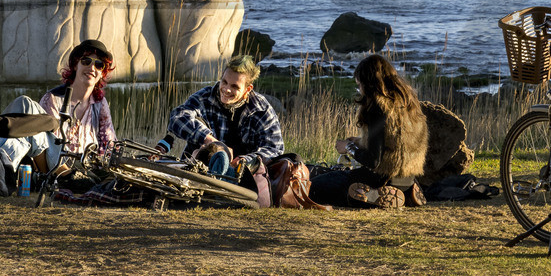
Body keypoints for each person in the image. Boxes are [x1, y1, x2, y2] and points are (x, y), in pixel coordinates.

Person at [311, 53, 429, 209]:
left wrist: (348, 147)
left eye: (359, 85)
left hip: (380, 178)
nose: (359, 90)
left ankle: (369, 194)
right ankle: (404, 193)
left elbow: (373, 161)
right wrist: (360, 142)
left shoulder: (378, 108)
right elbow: (394, 143)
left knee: (315, 186)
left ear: (369, 84)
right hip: (407, 179)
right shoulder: (409, 105)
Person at [167, 54, 283, 176]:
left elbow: (274, 148)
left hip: (241, 177)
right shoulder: (204, 98)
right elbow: (177, 118)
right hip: (198, 171)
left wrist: (245, 160)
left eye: (234, 86)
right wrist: (210, 141)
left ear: (248, 89)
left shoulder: (261, 109)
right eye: (224, 82)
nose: (226, 89)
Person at [40, 39, 117, 156]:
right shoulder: (52, 99)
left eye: (99, 65)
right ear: (76, 64)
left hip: (88, 171)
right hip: (58, 170)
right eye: (86, 61)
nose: (92, 68)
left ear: (102, 73)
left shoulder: (100, 104)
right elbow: (46, 148)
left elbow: (109, 148)